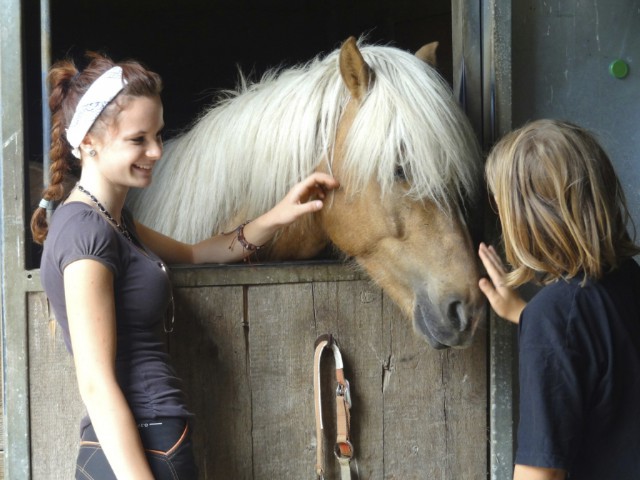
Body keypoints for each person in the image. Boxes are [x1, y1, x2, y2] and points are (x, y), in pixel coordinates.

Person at [31, 52, 339, 480]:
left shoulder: (115, 222)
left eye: (158, 135)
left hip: (153, 439)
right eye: (138, 140)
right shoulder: (86, 234)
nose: (157, 151)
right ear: (88, 143)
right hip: (139, 447)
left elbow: (197, 253)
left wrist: (281, 213)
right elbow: (96, 384)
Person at [478, 119, 640, 480]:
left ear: (524, 219)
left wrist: (538, 320)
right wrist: (524, 314)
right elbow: (602, 354)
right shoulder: (627, 277)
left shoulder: (553, 317)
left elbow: (540, 475)